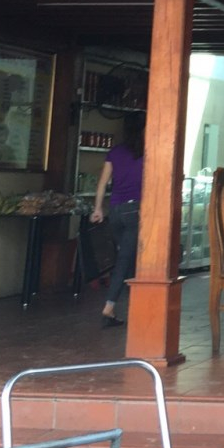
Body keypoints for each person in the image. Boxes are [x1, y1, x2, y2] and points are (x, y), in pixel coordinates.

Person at [90, 114, 144, 327]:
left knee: (128, 257)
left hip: (115, 212)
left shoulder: (115, 152)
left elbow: (102, 183)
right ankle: (109, 308)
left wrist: (97, 209)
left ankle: (135, 306)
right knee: (125, 260)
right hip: (135, 211)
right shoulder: (147, 152)